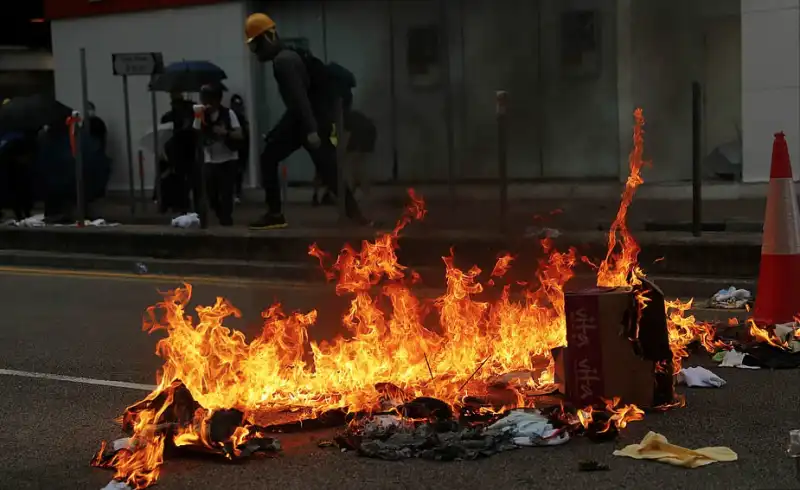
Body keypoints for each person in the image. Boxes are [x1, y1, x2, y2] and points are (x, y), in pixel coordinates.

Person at [244, 12, 370, 229]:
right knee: (330, 171)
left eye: (256, 46)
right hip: (313, 119)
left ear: (268, 38)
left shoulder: (283, 62)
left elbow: (299, 98)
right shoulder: (293, 55)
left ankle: (275, 214)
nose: (255, 52)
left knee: (269, 158)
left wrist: (310, 129)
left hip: (306, 120)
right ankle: (357, 217)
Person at [192, 83, 244, 226]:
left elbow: (239, 134)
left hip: (228, 158)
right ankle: (219, 212)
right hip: (210, 158)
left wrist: (225, 133)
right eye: (204, 99)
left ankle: (226, 218)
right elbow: (195, 133)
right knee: (211, 193)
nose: (207, 103)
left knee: (226, 192)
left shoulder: (229, 114)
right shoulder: (201, 114)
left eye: (210, 99)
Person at [158, 92, 196, 214]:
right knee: (175, 178)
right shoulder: (169, 117)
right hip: (175, 150)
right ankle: (175, 203)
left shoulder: (189, 115)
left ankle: (182, 204)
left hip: (187, 150)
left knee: (185, 179)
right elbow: (165, 135)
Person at [229, 94, 250, 203]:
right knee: (235, 172)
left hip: (240, 149)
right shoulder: (231, 117)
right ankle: (235, 192)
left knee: (238, 172)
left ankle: (237, 192)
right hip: (234, 149)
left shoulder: (241, 119)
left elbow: (246, 138)